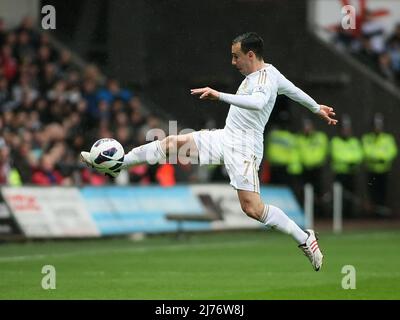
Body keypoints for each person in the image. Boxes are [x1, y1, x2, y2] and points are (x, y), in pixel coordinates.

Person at [81, 32, 338, 271]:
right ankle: (119, 163)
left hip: (245, 148)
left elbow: (259, 102)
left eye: (236, 56)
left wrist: (219, 95)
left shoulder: (264, 80)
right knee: (172, 143)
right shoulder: (271, 74)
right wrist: (316, 108)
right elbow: (293, 91)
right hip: (226, 137)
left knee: (252, 209)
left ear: (251, 55)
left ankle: (305, 238)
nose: (233, 61)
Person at [362, 113, 398, 217]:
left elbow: (392, 151)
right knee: (372, 195)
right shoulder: (367, 138)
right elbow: (367, 151)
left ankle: (382, 216)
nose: (377, 128)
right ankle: (373, 215)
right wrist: (380, 158)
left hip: (384, 171)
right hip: (371, 171)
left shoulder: (388, 138)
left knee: (383, 194)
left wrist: (381, 158)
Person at [330, 115, 363, 217]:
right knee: (339, 197)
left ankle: (350, 216)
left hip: (351, 173)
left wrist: (350, 161)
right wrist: (350, 161)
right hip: (340, 173)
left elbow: (359, 155)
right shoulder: (335, 141)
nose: (346, 131)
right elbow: (337, 155)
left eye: (348, 129)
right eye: (344, 129)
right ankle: (338, 216)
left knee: (351, 196)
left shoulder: (355, 141)